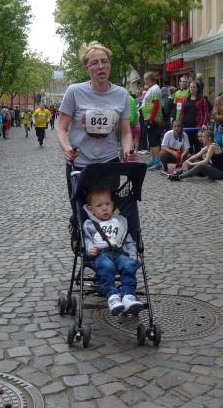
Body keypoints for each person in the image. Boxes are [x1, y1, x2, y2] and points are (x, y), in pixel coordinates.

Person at [57, 42, 135, 208]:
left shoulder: (122, 94)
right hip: (80, 164)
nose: (101, 66)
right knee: (81, 213)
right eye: (94, 63)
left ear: (110, 65)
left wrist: (128, 151)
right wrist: (67, 148)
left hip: (109, 162)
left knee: (107, 212)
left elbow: (126, 132)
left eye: (104, 61)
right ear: (86, 69)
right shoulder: (74, 91)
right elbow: (61, 128)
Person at [83, 187, 143, 315]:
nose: (104, 208)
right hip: (101, 255)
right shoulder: (90, 224)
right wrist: (89, 247)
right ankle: (112, 296)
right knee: (107, 266)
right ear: (91, 209)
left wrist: (132, 252)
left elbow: (129, 241)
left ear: (113, 205)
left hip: (120, 253)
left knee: (129, 264)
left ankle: (128, 296)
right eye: (99, 206)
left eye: (107, 204)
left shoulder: (119, 222)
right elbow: (86, 240)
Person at [180, 80, 212, 153]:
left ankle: (198, 159)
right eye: (191, 87)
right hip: (186, 126)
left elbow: (206, 113)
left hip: (198, 126)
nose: (192, 89)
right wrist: (180, 123)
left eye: (194, 87)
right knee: (188, 147)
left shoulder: (202, 100)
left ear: (197, 89)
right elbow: (182, 113)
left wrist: (204, 124)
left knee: (198, 146)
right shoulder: (185, 100)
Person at [141, 72, 164, 170]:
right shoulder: (151, 88)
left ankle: (157, 162)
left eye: (145, 79)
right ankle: (152, 160)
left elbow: (156, 105)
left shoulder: (155, 89)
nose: (144, 81)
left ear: (150, 79)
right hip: (149, 119)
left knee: (154, 141)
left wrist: (151, 118)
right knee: (151, 141)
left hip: (153, 120)